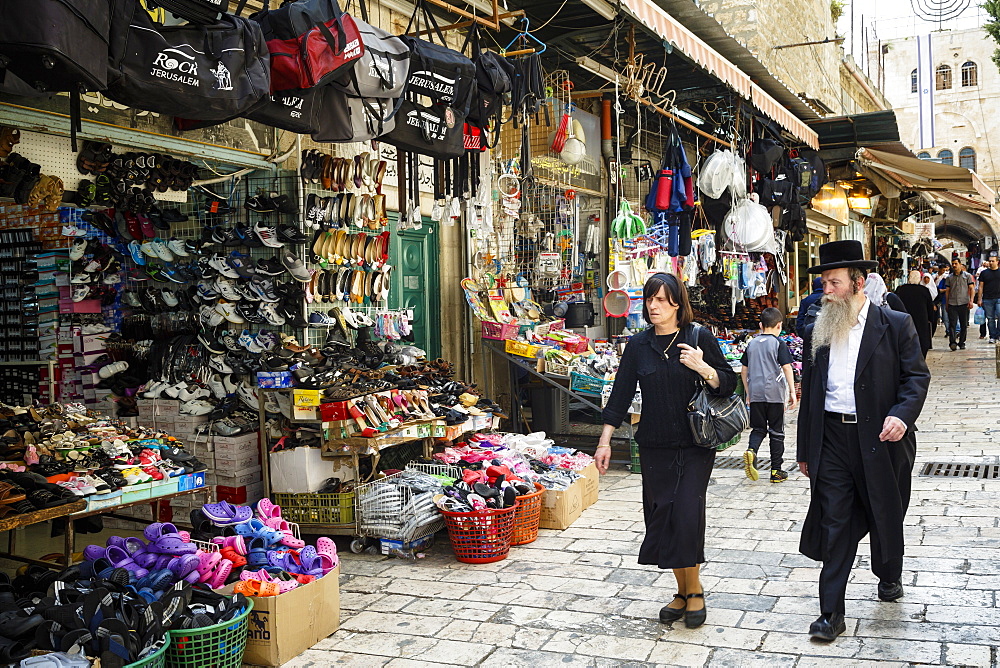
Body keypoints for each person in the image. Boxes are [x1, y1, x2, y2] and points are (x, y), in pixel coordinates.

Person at [797, 240, 930, 642]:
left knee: (885, 511)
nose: (826, 291)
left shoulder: (895, 325)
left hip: (881, 438)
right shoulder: (818, 328)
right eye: (823, 283)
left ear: (859, 282)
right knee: (835, 521)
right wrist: (805, 449)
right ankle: (830, 613)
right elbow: (811, 392)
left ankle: (889, 574)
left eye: (833, 283)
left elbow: (916, 379)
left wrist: (901, 417)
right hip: (833, 437)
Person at [596, 272, 737, 630]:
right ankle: (685, 591)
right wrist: (604, 441)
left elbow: (728, 382)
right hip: (654, 446)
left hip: (694, 445)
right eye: (650, 299)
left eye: (662, 299)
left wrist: (703, 367)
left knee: (686, 513)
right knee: (665, 516)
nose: (654, 306)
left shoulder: (697, 336)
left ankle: (695, 594)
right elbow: (620, 395)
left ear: (678, 303)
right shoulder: (639, 346)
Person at [740, 307, 797, 483]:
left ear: (760, 325)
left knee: (758, 429)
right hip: (774, 394)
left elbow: (744, 370)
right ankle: (776, 471)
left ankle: (752, 450)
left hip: (756, 393)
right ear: (779, 325)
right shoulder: (778, 344)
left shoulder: (752, 343)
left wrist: (748, 392)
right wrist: (793, 392)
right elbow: (787, 367)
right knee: (776, 432)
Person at [895, 270, 935, 357]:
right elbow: (929, 307)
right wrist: (930, 319)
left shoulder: (901, 289)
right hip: (921, 320)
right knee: (921, 341)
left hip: (904, 319)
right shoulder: (924, 290)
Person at [944, 259, 975, 350]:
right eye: (953, 264)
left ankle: (962, 342)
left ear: (960, 265)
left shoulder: (967, 276)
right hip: (952, 303)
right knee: (952, 324)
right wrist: (946, 303)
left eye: (956, 264)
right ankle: (952, 342)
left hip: (964, 303)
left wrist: (971, 301)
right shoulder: (949, 277)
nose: (954, 265)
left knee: (963, 324)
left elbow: (972, 288)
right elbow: (947, 291)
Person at [977, 255, 1000, 343]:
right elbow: (980, 287)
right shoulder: (984, 273)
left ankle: (999, 334)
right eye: (989, 261)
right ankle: (993, 336)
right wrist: (979, 299)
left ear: (997, 262)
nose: (990, 263)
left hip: (999, 298)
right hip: (987, 299)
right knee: (990, 318)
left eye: (992, 261)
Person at [921, 272, 939, 340]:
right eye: (924, 278)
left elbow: (938, 298)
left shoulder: (935, 288)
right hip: (924, 308)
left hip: (933, 308)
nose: (926, 279)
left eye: (927, 278)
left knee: (933, 323)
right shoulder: (921, 288)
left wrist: (933, 304)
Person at [936, 265, 951, 335]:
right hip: (944, 300)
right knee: (945, 317)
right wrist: (947, 290)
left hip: (954, 301)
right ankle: (949, 330)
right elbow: (939, 289)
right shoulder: (944, 280)